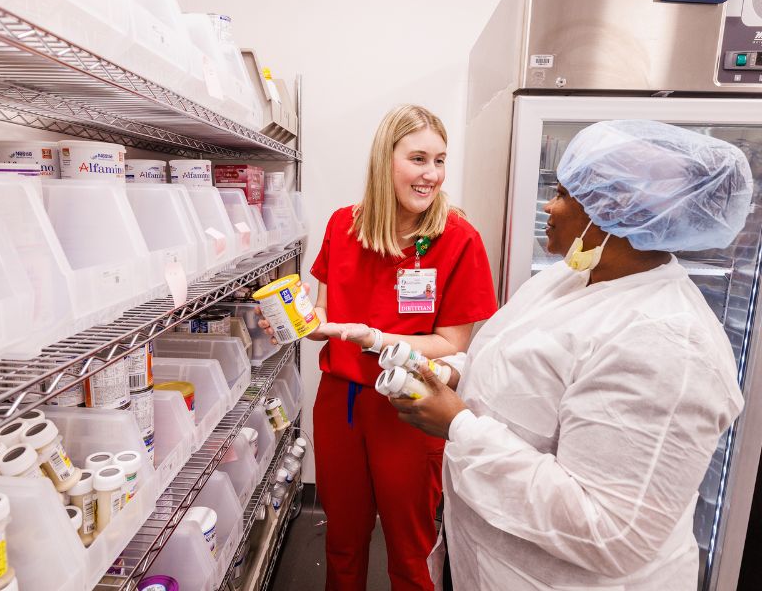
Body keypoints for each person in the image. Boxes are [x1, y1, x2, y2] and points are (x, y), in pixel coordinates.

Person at [390, 119, 753, 590]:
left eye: (564, 194)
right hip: (488, 558)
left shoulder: (667, 348)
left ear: (614, 212)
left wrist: (457, 425)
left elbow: (610, 533)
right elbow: (521, 365)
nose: (549, 205)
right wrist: (452, 373)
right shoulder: (573, 276)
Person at [259, 104, 497, 590]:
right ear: (384, 161)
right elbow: (324, 314)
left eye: (439, 160)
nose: (431, 174)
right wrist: (294, 320)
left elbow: (453, 343)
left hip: (411, 406)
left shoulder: (457, 239)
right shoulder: (345, 225)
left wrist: (376, 339)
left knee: (410, 549)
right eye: (418, 159)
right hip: (341, 403)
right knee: (342, 540)